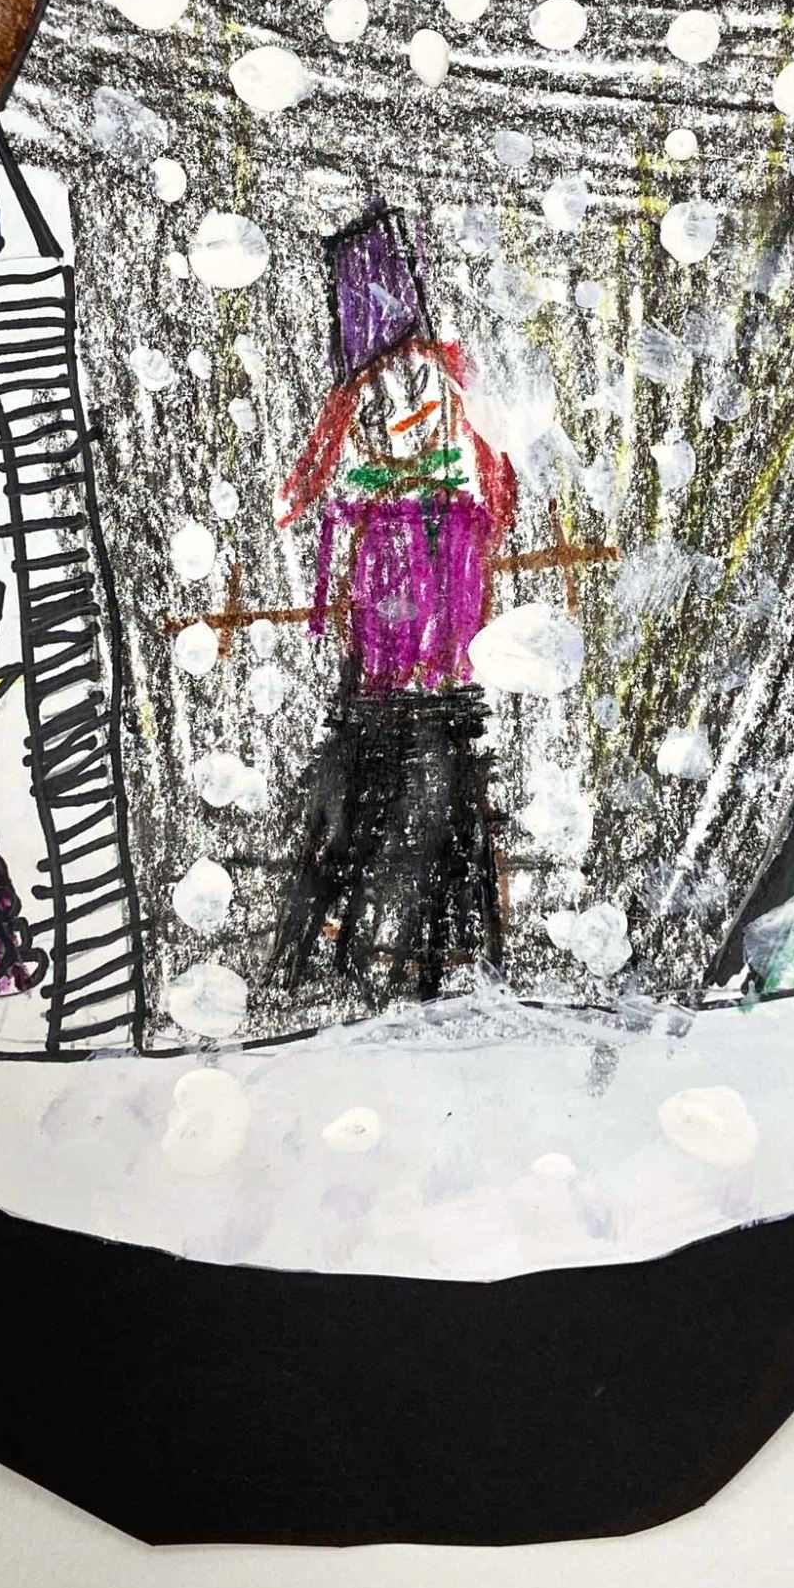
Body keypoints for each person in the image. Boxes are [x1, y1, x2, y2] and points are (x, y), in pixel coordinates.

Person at [269, 205, 517, 1002]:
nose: (403, 407)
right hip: (379, 686)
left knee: (432, 814)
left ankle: (429, 961)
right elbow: (307, 512)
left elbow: (494, 504)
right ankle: (333, 959)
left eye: (416, 379)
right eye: (378, 394)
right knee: (361, 812)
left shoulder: (461, 500)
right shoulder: (368, 507)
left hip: (437, 685)